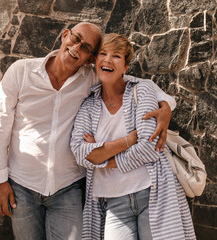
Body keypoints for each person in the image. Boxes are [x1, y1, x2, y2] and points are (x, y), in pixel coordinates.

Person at [0, 22, 176, 240]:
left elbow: (128, 82)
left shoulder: (91, 79)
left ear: (90, 59)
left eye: (86, 48)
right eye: (76, 39)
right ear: (65, 35)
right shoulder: (21, 71)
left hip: (67, 188)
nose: (77, 48)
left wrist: (165, 106)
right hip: (22, 185)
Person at [71, 33, 196, 240]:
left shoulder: (143, 90)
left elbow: (149, 147)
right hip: (113, 202)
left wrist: (101, 155)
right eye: (103, 54)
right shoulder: (88, 106)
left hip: (153, 193)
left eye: (116, 56)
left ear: (126, 66)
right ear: (95, 61)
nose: (108, 60)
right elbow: (81, 154)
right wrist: (130, 140)